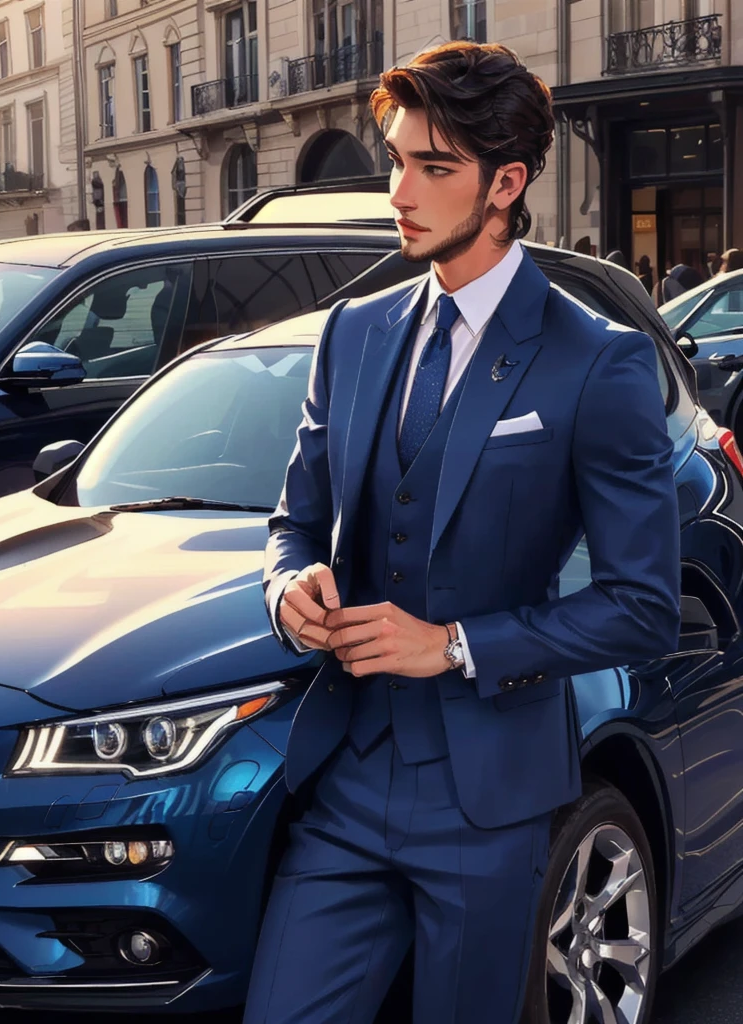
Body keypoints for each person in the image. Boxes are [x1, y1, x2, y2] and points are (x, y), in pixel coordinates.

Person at [244, 41, 681, 1024]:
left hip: (489, 801)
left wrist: (455, 645)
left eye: (434, 167)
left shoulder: (595, 361)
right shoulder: (351, 335)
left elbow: (643, 609)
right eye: (397, 159)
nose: (400, 188)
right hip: (348, 780)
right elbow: (292, 522)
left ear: (506, 183)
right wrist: (288, 589)